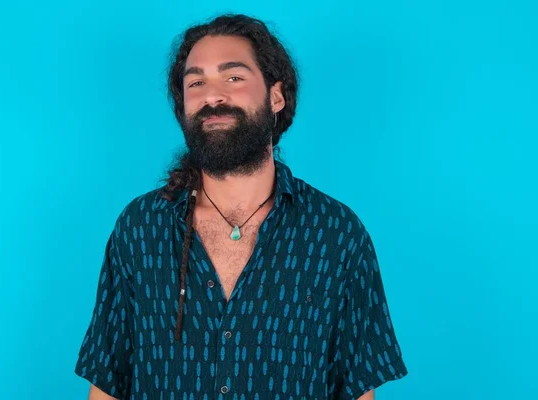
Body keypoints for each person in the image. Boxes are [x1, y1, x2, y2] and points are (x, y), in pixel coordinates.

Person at [74, 13, 408, 400]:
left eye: (233, 77)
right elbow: (107, 382)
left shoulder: (337, 234)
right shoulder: (140, 228)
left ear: (276, 95)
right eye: (196, 82)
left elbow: (356, 389)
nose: (212, 96)